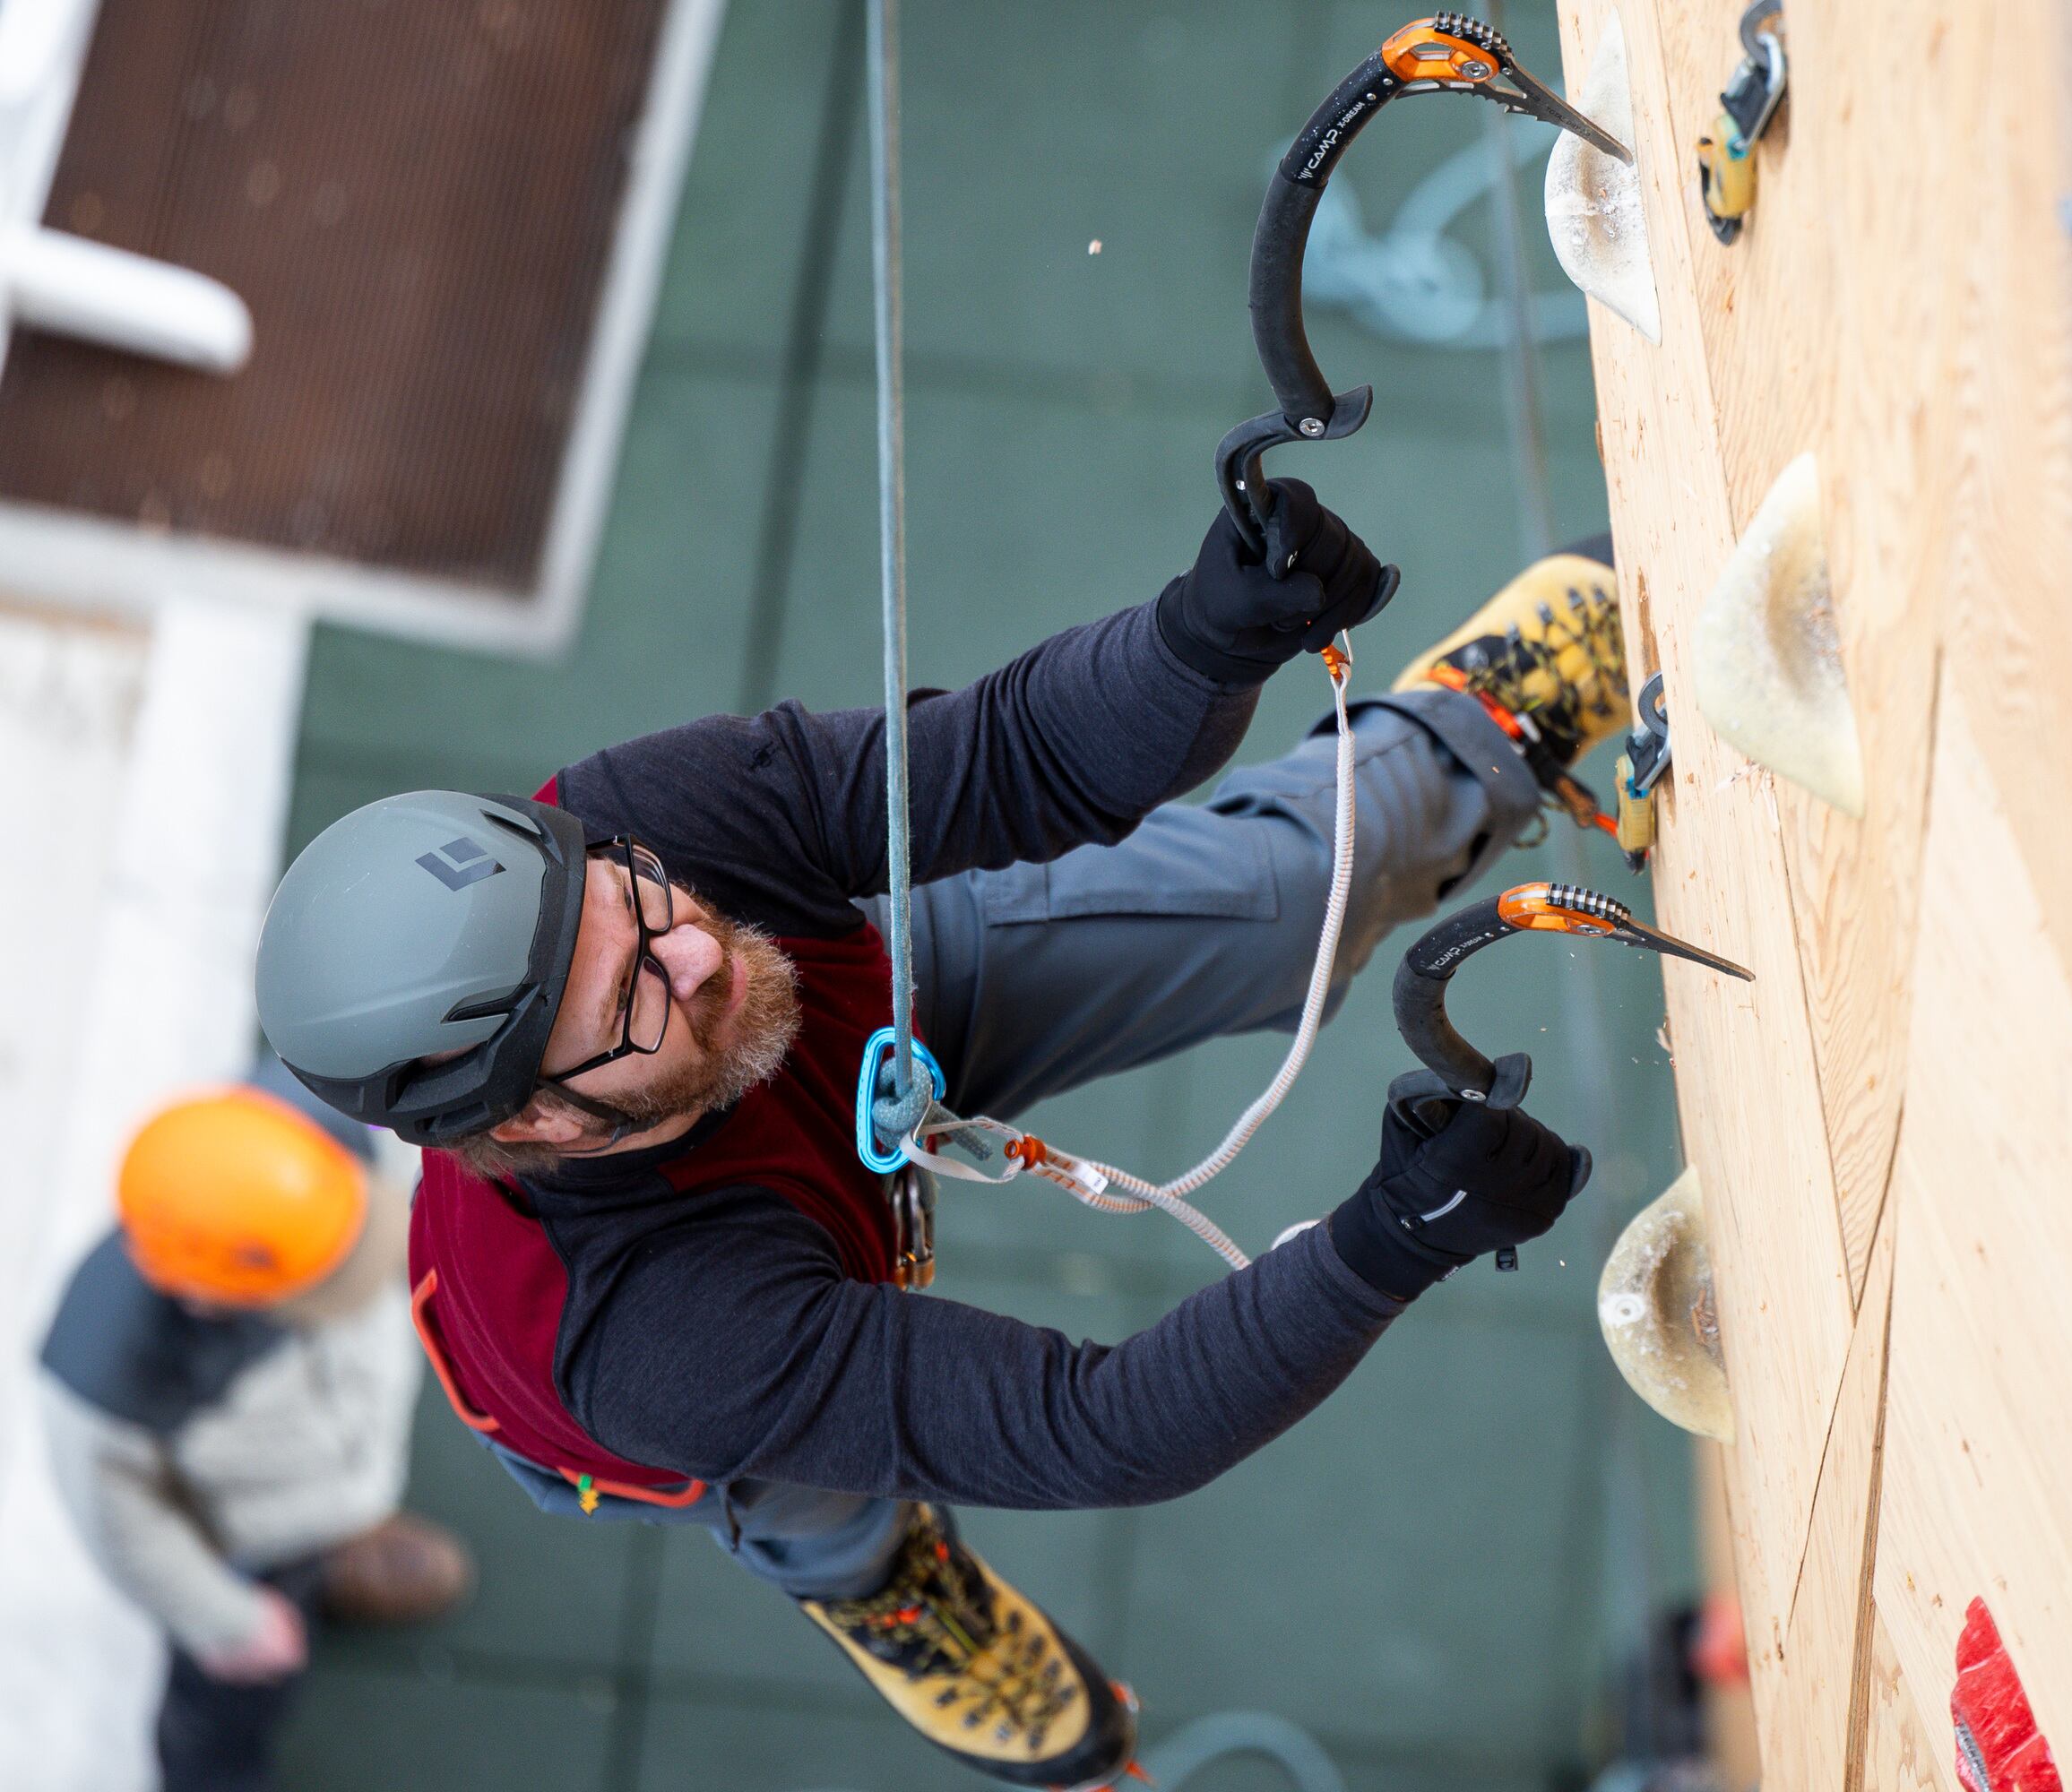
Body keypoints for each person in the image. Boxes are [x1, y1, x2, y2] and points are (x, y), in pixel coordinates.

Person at [252, 485, 1628, 1789]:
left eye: (636, 897)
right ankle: (894, 1600)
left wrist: (1197, 639)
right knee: (833, 1511)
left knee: (1276, 900)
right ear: (539, 1116)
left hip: (843, 1036)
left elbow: (1015, 759)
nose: (697, 949)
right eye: (632, 994)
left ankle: (1474, 732)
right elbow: (1099, 1431)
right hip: (690, 1371)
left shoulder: (652, 834)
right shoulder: (662, 1349)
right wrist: (1385, 1247)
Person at [39, 1067, 475, 1792]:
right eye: (326, 1278)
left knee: (344, 1496)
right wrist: (226, 1619)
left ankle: (347, 1541)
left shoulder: (320, 1134)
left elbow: (380, 1131)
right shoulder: (112, 1375)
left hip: (338, 1455)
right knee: (233, 1696)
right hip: (247, 1544)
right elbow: (121, 1529)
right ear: (213, 1300)